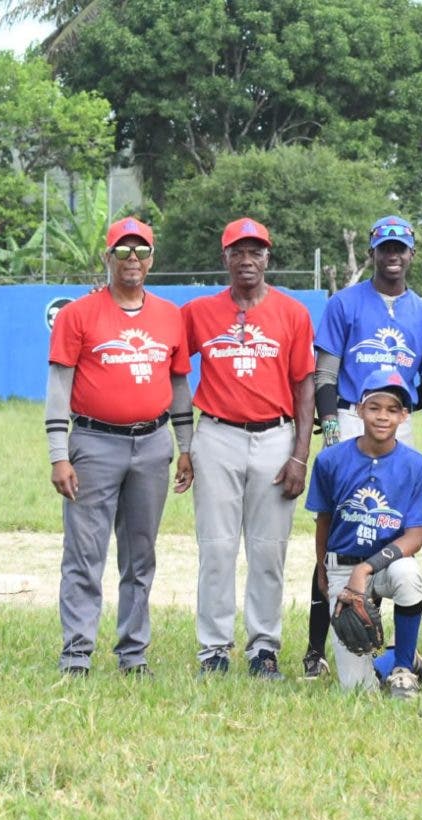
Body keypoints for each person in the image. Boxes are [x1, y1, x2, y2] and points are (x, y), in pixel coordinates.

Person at [45, 217, 193, 676]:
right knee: (85, 554)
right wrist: (58, 453)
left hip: (151, 444)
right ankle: (76, 654)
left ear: (153, 259)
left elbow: (180, 384)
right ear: (107, 258)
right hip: (94, 442)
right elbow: (57, 387)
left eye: (142, 251)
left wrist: (185, 445)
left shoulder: (170, 315)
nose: (133, 259)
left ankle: (133, 653)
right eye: (123, 251)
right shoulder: (77, 315)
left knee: (140, 554)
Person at [302, 215, 422, 680]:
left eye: (401, 248)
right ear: (372, 253)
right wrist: (332, 430)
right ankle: (314, 649)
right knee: (342, 529)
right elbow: (325, 373)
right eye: (385, 248)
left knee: (390, 526)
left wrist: (403, 414)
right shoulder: (345, 303)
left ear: (411, 254)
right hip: (349, 413)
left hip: (398, 419)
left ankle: (398, 655)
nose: (393, 255)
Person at [183, 217, 315, 680]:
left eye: (255, 251)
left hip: (275, 438)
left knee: (268, 550)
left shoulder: (292, 313)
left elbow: (304, 386)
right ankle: (214, 650)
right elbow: (174, 365)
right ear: (225, 258)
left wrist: (300, 453)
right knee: (216, 549)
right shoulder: (199, 312)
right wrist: (184, 440)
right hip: (217, 435)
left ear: (267, 258)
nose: (246, 259)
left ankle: (264, 648)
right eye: (237, 251)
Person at [304, 369, 422, 696]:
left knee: (407, 574)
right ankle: (393, 658)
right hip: (342, 566)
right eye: (374, 407)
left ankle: (403, 668)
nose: (382, 416)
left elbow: (415, 537)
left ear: (405, 416)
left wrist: (366, 568)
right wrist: (324, 567)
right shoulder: (331, 460)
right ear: (359, 409)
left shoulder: (417, 466)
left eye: (392, 409)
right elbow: (325, 520)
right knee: (359, 690)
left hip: (385, 564)